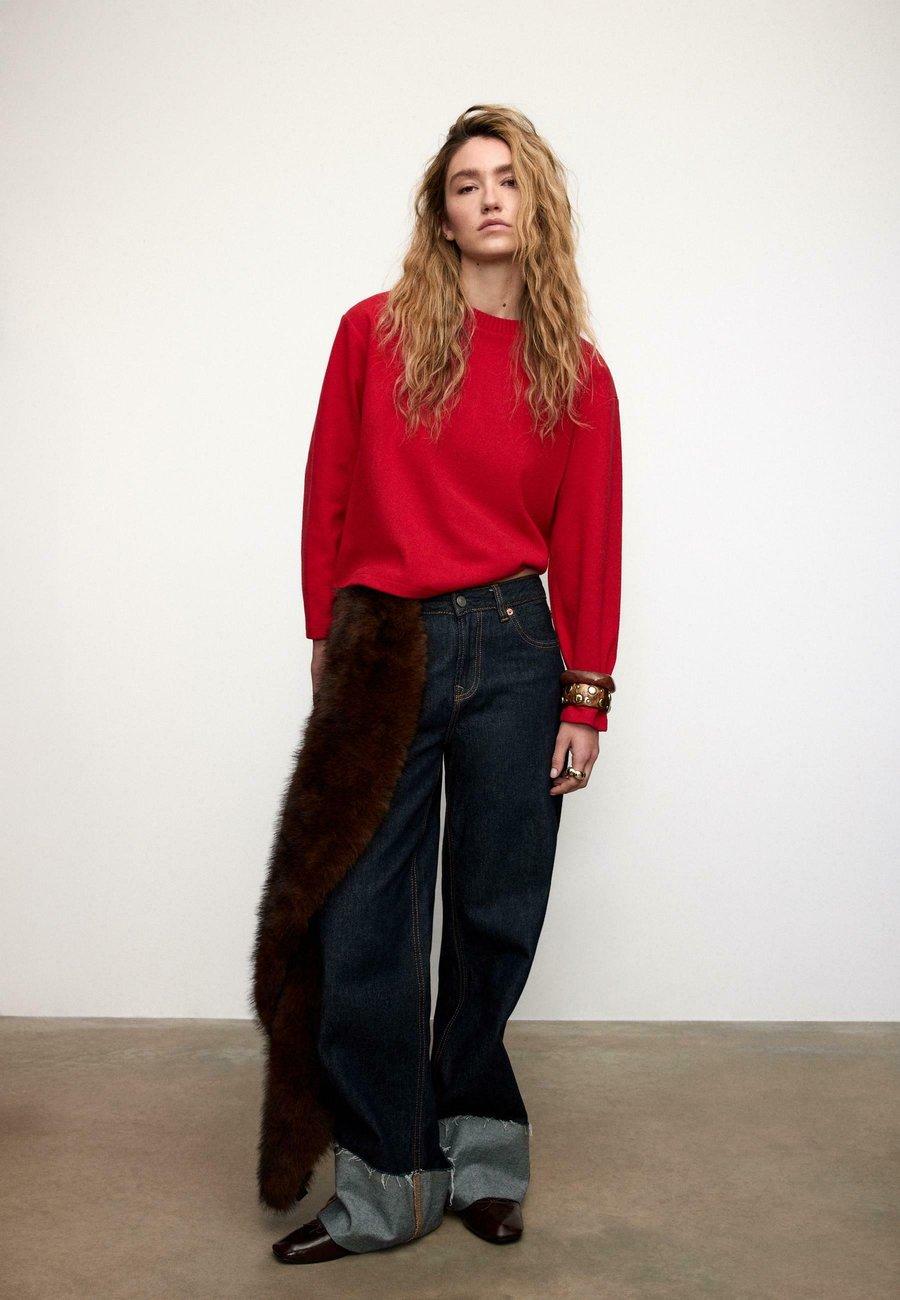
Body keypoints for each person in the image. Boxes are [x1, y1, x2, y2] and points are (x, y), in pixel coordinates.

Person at [265, 103, 622, 1264]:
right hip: (387, 646)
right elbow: (327, 488)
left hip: (518, 648)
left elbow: (592, 539)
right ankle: (387, 1182)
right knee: (365, 919)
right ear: (443, 213)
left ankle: (480, 1155)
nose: (488, 198)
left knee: (493, 912)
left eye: (507, 179)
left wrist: (585, 697)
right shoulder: (373, 335)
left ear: (537, 203)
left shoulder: (577, 373)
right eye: (466, 183)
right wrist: (326, 632)